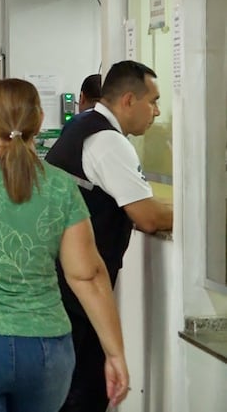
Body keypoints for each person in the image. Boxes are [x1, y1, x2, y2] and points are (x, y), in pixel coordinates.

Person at [0, 78, 130, 412]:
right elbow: (87, 275)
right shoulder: (60, 184)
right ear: (39, 121)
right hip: (46, 349)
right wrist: (114, 353)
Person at [46, 60, 172, 412]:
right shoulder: (108, 142)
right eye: (154, 101)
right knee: (83, 392)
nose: (157, 111)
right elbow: (146, 216)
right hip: (78, 290)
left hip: (58, 283)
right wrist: (196, 215)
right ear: (129, 100)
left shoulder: (81, 126)